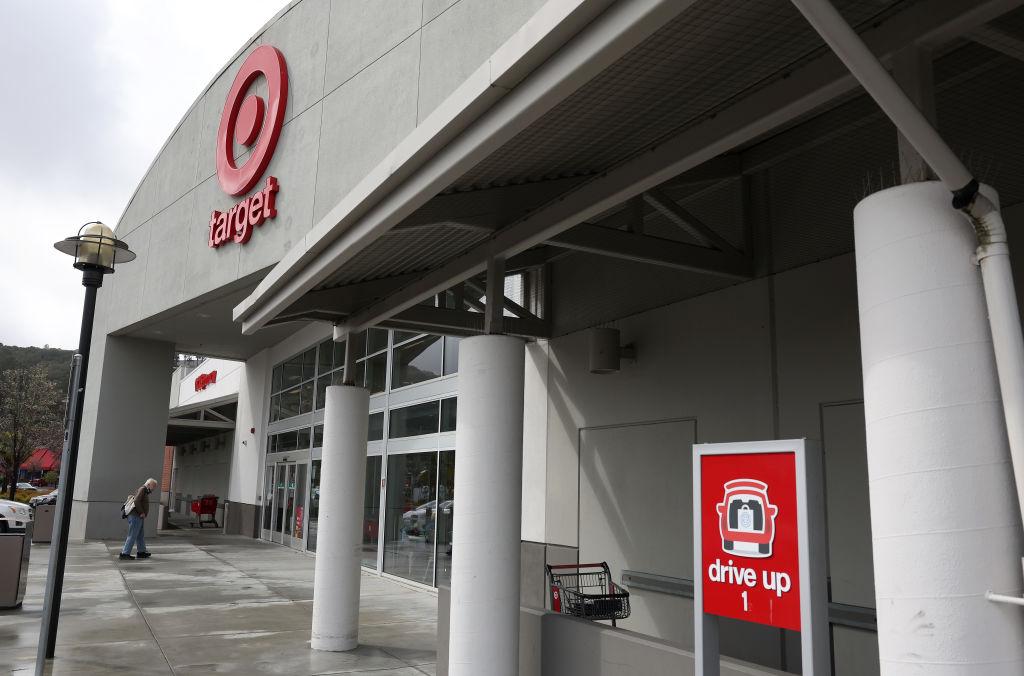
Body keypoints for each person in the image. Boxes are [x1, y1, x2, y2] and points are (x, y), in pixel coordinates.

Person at [119, 478, 157, 560]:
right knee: (132, 535)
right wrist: (141, 512)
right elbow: (136, 501)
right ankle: (125, 553)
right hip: (135, 516)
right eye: (153, 486)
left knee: (140, 535)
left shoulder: (144, 490)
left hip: (138, 516)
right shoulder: (143, 489)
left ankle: (141, 552)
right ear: (149, 484)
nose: (154, 488)